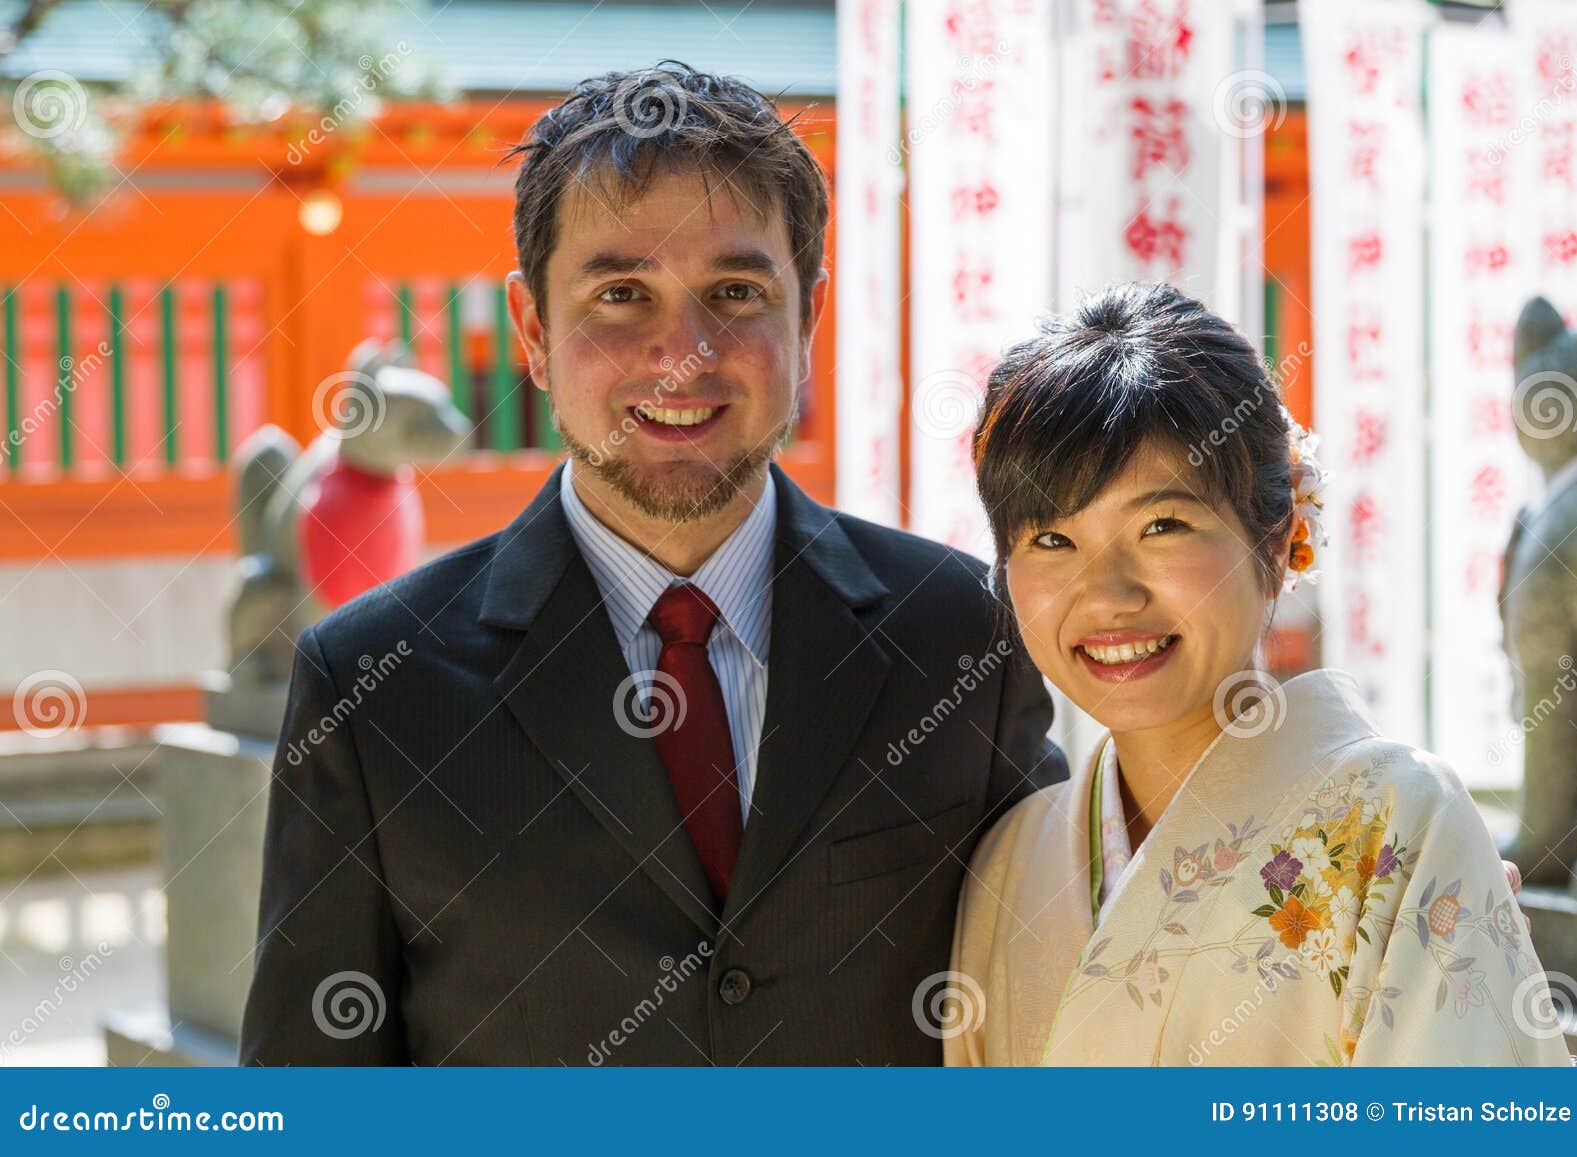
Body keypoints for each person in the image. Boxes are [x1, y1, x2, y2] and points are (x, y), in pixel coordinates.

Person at [240, 62, 1065, 1066]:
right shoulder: (371, 686)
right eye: (620, 293)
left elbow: (1051, 998)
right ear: (535, 333)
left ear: (805, 319)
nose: (683, 352)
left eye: (734, 291)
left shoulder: (959, 632)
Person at [947, 282, 1569, 1066]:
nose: (1107, 594)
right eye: (1050, 541)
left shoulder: (1397, 820)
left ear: (1276, 544)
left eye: (1162, 524)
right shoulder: (1009, 859)